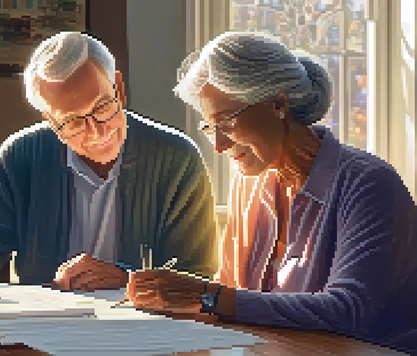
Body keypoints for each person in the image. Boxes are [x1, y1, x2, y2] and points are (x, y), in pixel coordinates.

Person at [126, 31, 417, 354]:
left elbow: (346, 312)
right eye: (210, 128)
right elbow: (233, 292)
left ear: (278, 103)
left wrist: (207, 297)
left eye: (227, 122)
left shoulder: (369, 184)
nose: (219, 145)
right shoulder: (249, 182)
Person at [0, 31, 219, 298]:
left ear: (119, 89)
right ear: (50, 120)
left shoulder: (178, 159)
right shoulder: (22, 156)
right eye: (72, 121)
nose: (96, 131)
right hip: (41, 334)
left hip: (147, 335)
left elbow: (199, 277)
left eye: (102, 107)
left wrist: (128, 280)